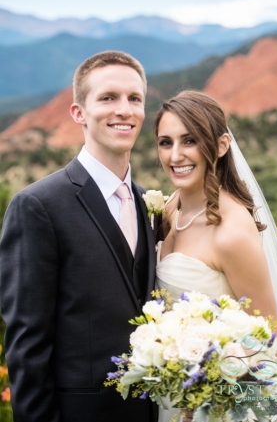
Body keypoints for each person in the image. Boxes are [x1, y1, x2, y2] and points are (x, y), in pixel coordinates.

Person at [0, 51, 158, 422]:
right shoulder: (37, 206)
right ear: (78, 113)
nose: (124, 109)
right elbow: (27, 348)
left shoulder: (148, 202)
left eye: (134, 98)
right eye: (108, 98)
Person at [154, 90, 277, 422]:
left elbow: (270, 339)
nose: (176, 155)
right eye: (166, 142)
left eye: (189, 140)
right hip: (173, 396)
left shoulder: (232, 234)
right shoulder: (170, 208)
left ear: (221, 146)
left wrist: (215, 403)